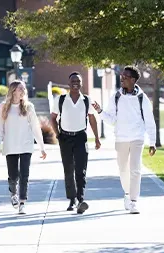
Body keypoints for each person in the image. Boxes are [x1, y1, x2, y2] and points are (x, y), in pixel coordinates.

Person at [92, 65, 156, 214]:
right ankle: (127, 194)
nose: (122, 79)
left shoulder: (142, 98)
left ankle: (134, 201)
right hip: (121, 138)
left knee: (135, 169)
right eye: (121, 76)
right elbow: (111, 120)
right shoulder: (116, 96)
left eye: (125, 77)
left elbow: (149, 121)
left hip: (137, 138)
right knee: (123, 169)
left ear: (133, 80)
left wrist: (152, 142)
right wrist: (100, 111)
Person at [50, 71, 101, 214]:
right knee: (68, 170)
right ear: (68, 83)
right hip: (65, 138)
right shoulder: (60, 99)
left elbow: (92, 119)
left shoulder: (86, 100)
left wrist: (97, 138)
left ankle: (80, 199)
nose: (75, 83)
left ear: (81, 83)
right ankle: (71, 199)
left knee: (81, 170)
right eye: (73, 81)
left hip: (81, 137)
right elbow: (53, 117)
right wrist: (58, 135)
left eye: (78, 81)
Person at [0, 80, 47, 214]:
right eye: (20, 88)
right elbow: (0, 127)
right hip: (10, 145)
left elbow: (35, 127)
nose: (23, 91)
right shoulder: (3, 107)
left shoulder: (29, 107)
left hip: (26, 145)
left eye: (24, 88)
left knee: (24, 175)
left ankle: (22, 202)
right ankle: (13, 194)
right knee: (13, 176)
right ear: (13, 91)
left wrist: (42, 147)